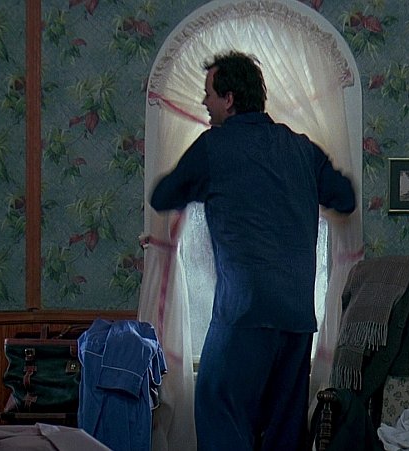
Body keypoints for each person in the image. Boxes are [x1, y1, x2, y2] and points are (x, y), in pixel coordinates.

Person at [149, 50, 356, 451]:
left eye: (209, 93)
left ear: (228, 99)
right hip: (296, 320)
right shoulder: (301, 148)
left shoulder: (214, 147)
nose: (204, 102)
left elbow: (163, 196)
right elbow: (344, 197)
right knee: (284, 431)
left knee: (219, 409)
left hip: (243, 313)